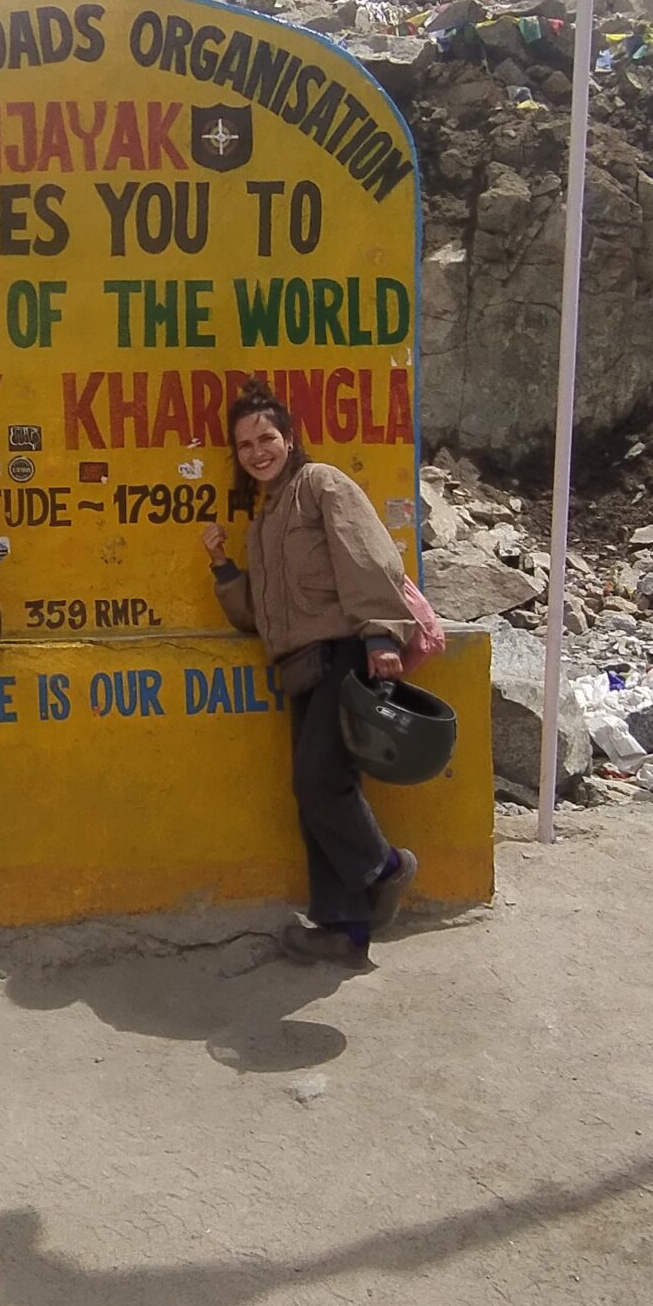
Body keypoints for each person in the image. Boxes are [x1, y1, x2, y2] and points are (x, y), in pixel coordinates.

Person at [200, 382, 440, 967]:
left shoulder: (322, 485)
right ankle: (343, 930)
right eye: (245, 444)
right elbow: (257, 615)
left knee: (318, 782)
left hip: (343, 659)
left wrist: (381, 635)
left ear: (289, 438)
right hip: (299, 669)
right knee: (315, 795)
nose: (258, 452)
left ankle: (385, 867)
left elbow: (370, 556)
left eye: (267, 438)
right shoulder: (264, 522)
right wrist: (223, 565)